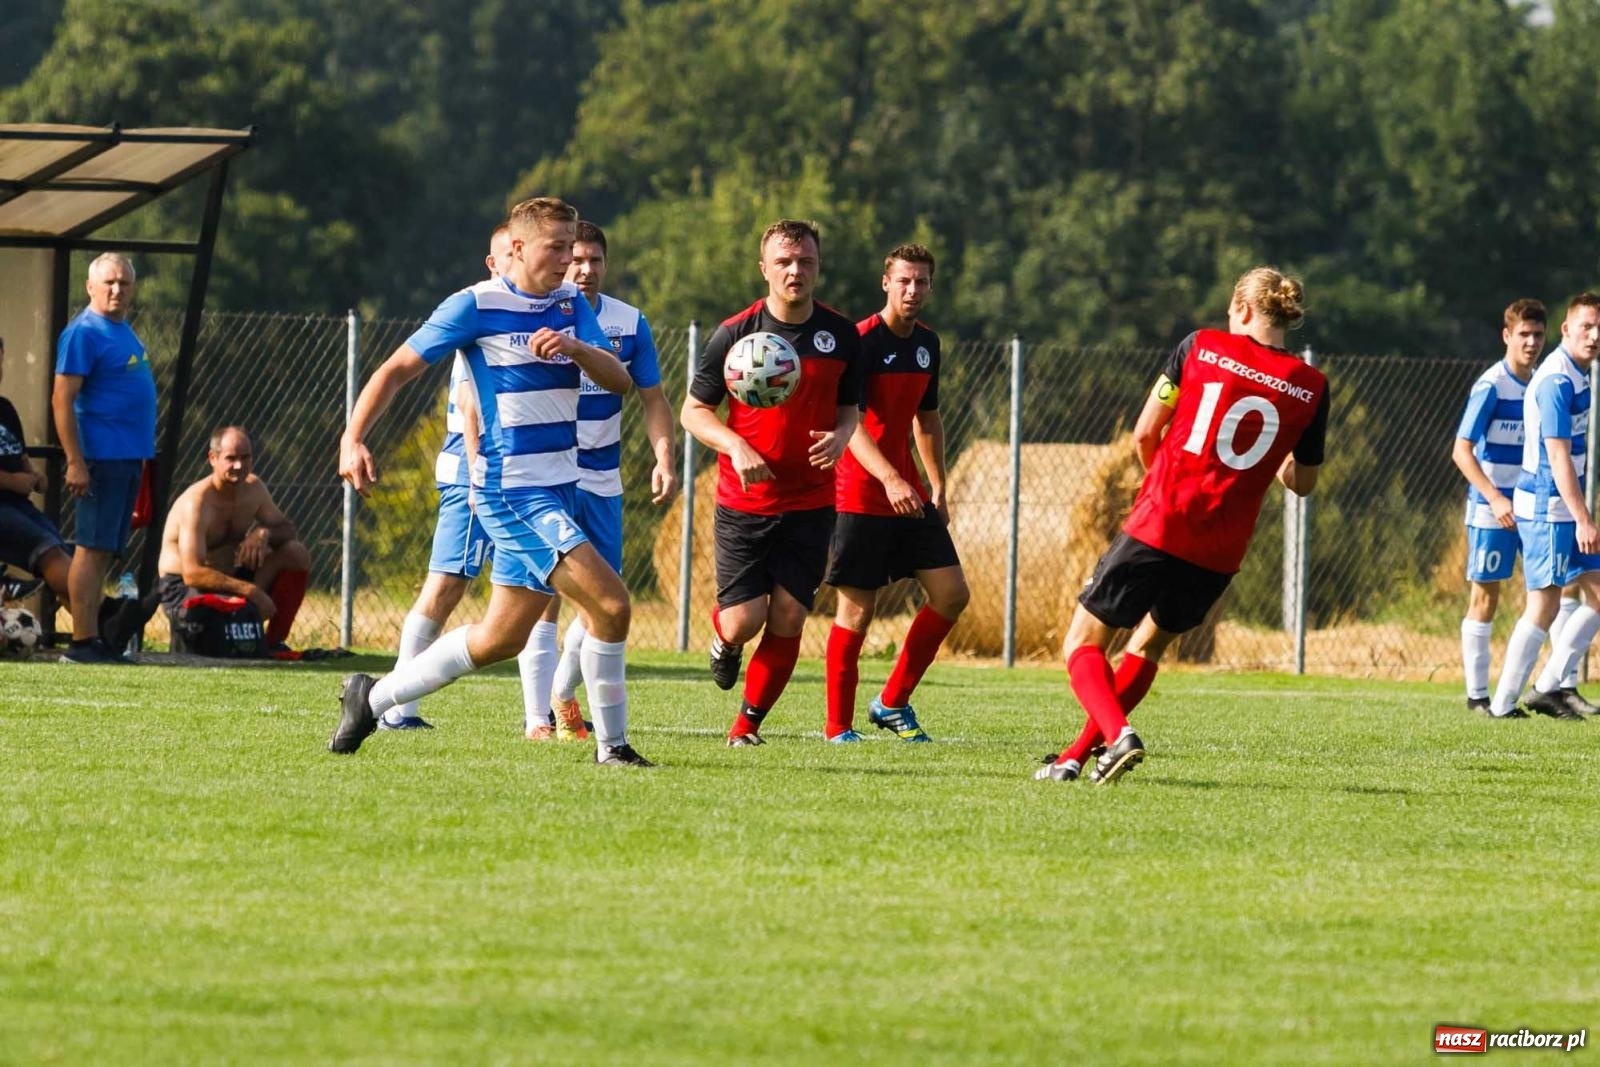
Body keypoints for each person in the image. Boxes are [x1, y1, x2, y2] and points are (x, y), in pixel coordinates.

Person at [330, 197, 653, 767]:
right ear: (520, 247)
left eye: (573, 246)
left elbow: (622, 382)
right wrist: (353, 436)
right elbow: (395, 371)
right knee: (612, 603)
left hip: (561, 488)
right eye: (558, 247)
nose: (569, 259)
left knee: (500, 638)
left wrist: (578, 347)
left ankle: (371, 697)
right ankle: (614, 748)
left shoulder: (571, 304)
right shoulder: (474, 305)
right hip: (513, 492)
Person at [1039, 266, 1329, 784]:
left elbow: (1145, 433)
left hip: (1163, 519)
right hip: (1220, 548)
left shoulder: (1201, 345)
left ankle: (1120, 735)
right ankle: (1072, 759)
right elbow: (1302, 482)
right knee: (1147, 646)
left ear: (1241, 309)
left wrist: (1163, 483)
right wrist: (1274, 459)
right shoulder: (1311, 386)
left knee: (1081, 641)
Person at [681, 219, 862, 746]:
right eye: (784, 262)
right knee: (743, 621)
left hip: (811, 501)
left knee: (788, 614)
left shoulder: (841, 336)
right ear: (764, 269)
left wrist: (841, 436)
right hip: (746, 502)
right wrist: (736, 445)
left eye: (805, 261)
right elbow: (694, 412)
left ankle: (746, 726)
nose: (795, 271)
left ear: (817, 267)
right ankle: (725, 641)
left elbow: (850, 409)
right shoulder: (734, 333)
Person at [519, 221, 677, 742]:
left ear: (606, 265)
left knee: (603, 599)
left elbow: (653, 399)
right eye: (575, 258)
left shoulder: (630, 323)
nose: (584, 269)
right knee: (543, 597)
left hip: (602, 479)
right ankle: (536, 719)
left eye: (594, 261)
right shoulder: (536, 312)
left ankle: (563, 695)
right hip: (547, 475)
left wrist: (663, 458)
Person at [823, 244, 968, 742]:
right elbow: (852, 424)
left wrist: (939, 485)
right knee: (857, 611)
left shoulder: (928, 343)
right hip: (862, 491)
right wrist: (889, 478)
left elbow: (927, 421)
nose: (912, 290)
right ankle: (837, 727)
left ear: (930, 286)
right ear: (885, 283)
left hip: (910, 492)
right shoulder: (860, 341)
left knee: (952, 594)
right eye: (904, 281)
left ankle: (892, 702)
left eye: (921, 282)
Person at [381, 225, 513, 730]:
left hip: (496, 474)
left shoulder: (516, 314)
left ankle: (542, 709)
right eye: (506, 254)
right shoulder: (476, 312)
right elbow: (467, 403)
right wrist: (480, 473)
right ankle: (396, 704)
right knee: (446, 584)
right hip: (471, 475)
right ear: (492, 261)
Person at [1450, 300, 1593, 715]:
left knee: (1563, 589)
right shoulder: (1493, 385)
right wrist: (1495, 497)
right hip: (1495, 508)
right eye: (1523, 335)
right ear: (1506, 336)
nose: (1531, 343)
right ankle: (1480, 697)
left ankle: (1558, 686)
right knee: (1487, 598)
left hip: (1535, 505)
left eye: (1537, 335)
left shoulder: (1543, 381)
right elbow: (1461, 451)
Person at [1488, 292, 1600, 721]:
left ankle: (1549, 686)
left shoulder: (1578, 374)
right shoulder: (1556, 381)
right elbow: (1556, 457)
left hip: (1563, 508)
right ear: (1566, 329)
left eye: (1599, 327)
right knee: (1544, 604)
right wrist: (1583, 517)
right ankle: (1501, 706)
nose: (1593, 335)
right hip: (1546, 509)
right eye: (1585, 326)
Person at [51, 252, 157, 664]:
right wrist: (75, 460)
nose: (117, 290)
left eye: (124, 283)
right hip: (99, 459)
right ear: (90, 287)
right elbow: (62, 399)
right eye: (109, 282)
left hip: (128, 459)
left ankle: (95, 636)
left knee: (104, 550)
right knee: (90, 549)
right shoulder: (84, 332)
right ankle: (82, 642)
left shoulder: (122, 329)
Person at [154, 426, 312, 651]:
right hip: (185, 587)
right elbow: (192, 573)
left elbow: (287, 531)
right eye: (231, 458)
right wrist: (251, 592)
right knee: (211, 632)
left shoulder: (254, 488)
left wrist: (263, 533)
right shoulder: (197, 503)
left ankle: (272, 644)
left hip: (231, 578)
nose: (239, 466)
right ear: (213, 458)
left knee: (296, 553)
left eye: (245, 457)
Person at [0, 333, 75, 611]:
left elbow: (21, 456)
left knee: (64, 549)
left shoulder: (5, 408)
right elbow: (13, 478)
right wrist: (11, 482)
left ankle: (94, 630)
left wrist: (34, 475)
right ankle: (103, 613)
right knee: (48, 550)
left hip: (19, 504)